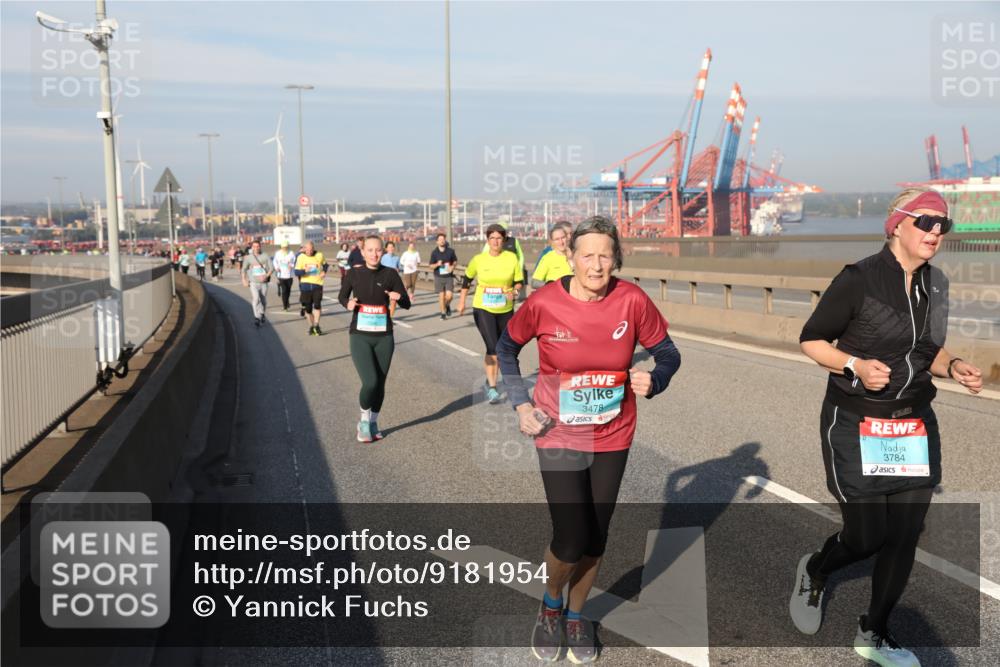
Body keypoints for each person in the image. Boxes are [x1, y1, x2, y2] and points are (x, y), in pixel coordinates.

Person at [791, 188, 982, 667]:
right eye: (925, 221)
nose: (936, 231)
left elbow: (926, 349)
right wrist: (853, 362)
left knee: (904, 535)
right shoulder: (858, 279)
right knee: (867, 537)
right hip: (856, 423)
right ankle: (816, 568)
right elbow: (812, 340)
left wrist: (953, 364)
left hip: (913, 423)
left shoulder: (936, 284)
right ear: (896, 225)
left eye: (944, 224)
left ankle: (874, 632)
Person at [496, 216, 681, 663]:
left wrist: (656, 379)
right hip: (557, 430)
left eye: (605, 255)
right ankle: (551, 603)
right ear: (570, 257)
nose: (597, 265)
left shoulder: (632, 300)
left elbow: (669, 352)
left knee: (596, 537)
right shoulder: (544, 302)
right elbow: (506, 348)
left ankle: (577, 615)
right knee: (570, 536)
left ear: (616, 258)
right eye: (588, 255)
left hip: (613, 433)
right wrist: (521, 405)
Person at [338, 236, 411, 442]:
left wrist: (399, 297)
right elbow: (342, 296)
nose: (374, 254)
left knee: (380, 383)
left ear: (383, 252)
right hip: (360, 335)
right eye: (369, 250)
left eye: (377, 250)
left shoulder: (390, 274)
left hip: (384, 336)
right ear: (363, 252)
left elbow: (406, 303)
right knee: (369, 381)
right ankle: (363, 420)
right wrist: (348, 304)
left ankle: (373, 422)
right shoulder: (354, 273)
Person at [457, 223, 523, 404]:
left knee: (502, 349)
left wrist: (515, 292)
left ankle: (490, 378)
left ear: (504, 240)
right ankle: (493, 387)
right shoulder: (479, 259)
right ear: (488, 240)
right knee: (493, 347)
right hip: (483, 307)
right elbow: (467, 279)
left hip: (505, 308)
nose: (495, 241)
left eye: (499, 238)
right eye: (492, 238)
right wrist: (462, 301)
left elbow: (519, 282)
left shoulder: (511, 258)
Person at [294, 241, 328, 336]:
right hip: (305, 285)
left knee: (317, 305)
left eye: (311, 249)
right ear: (304, 249)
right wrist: (304, 271)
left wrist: (324, 272)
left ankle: (316, 325)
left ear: (313, 248)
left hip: (317, 284)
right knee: (308, 309)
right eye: (307, 250)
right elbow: (296, 272)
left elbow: (325, 265)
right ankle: (311, 326)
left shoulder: (319, 255)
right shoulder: (301, 257)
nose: (309, 251)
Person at [241, 239, 273, 327]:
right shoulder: (248, 258)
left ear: (260, 246)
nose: (256, 248)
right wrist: (244, 279)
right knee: (255, 299)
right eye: (254, 246)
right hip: (253, 282)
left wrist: (266, 276)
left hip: (263, 282)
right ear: (252, 247)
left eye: (258, 246)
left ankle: (262, 313)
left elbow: (271, 268)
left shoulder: (265, 256)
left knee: (263, 300)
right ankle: (256, 317)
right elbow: (243, 269)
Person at [272, 240, 297, 311]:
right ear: (281, 247)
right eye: (283, 247)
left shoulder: (291, 253)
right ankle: (285, 306)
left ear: (288, 246)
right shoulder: (278, 253)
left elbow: (294, 261)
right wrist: (276, 268)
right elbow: (274, 261)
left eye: (286, 247)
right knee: (284, 290)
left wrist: (291, 265)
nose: (284, 248)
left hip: (289, 275)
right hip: (281, 275)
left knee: (288, 291)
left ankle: (287, 300)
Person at [380, 241, 402, 316]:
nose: (391, 248)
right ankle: (383, 315)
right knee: (384, 300)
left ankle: (390, 318)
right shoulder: (383, 258)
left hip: (394, 282)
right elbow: (379, 269)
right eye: (389, 247)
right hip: (385, 282)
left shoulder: (397, 258)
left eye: (392, 247)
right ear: (386, 249)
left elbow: (401, 268)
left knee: (394, 301)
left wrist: (398, 269)